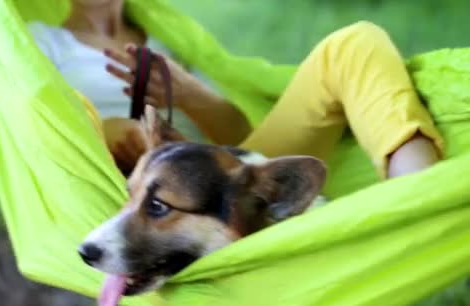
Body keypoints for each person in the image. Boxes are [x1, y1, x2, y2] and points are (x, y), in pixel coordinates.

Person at [28, 0, 442, 179]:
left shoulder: (165, 40)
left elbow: (238, 138)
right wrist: (116, 131)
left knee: (355, 45)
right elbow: (42, 129)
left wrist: (187, 91)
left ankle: (418, 196)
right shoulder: (40, 41)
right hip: (154, 202)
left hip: (222, 177)